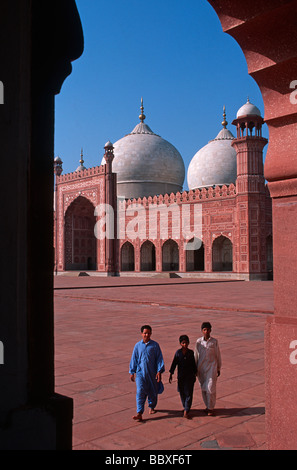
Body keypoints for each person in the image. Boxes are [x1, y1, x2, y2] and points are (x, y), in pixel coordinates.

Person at [129, 324, 165, 421]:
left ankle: (152, 406)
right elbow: (134, 359)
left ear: (151, 334)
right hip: (140, 373)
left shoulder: (155, 345)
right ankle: (139, 412)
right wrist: (132, 371)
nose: (146, 335)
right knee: (140, 391)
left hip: (152, 373)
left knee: (153, 392)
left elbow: (159, 359)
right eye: (145, 333)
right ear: (141, 334)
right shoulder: (137, 346)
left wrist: (159, 371)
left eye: (148, 333)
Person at [194, 322, 221, 416]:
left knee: (210, 387)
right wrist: (195, 368)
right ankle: (207, 405)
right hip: (201, 368)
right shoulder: (198, 342)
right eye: (204, 330)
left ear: (210, 330)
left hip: (212, 368)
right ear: (202, 331)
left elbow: (218, 355)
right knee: (204, 388)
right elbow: (196, 355)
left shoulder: (214, 342)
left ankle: (210, 408)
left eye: (208, 330)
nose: (206, 332)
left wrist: (218, 367)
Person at [169, 335, 197, 419]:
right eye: (183, 343)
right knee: (182, 392)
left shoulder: (191, 353)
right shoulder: (178, 353)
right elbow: (174, 364)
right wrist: (171, 373)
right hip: (181, 377)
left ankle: (186, 410)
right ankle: (185, 406)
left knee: (189, 393)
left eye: (186, 343)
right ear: (180, 343)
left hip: (190, 377)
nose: (185, 344)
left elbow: (193, 364)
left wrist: (195, 373)